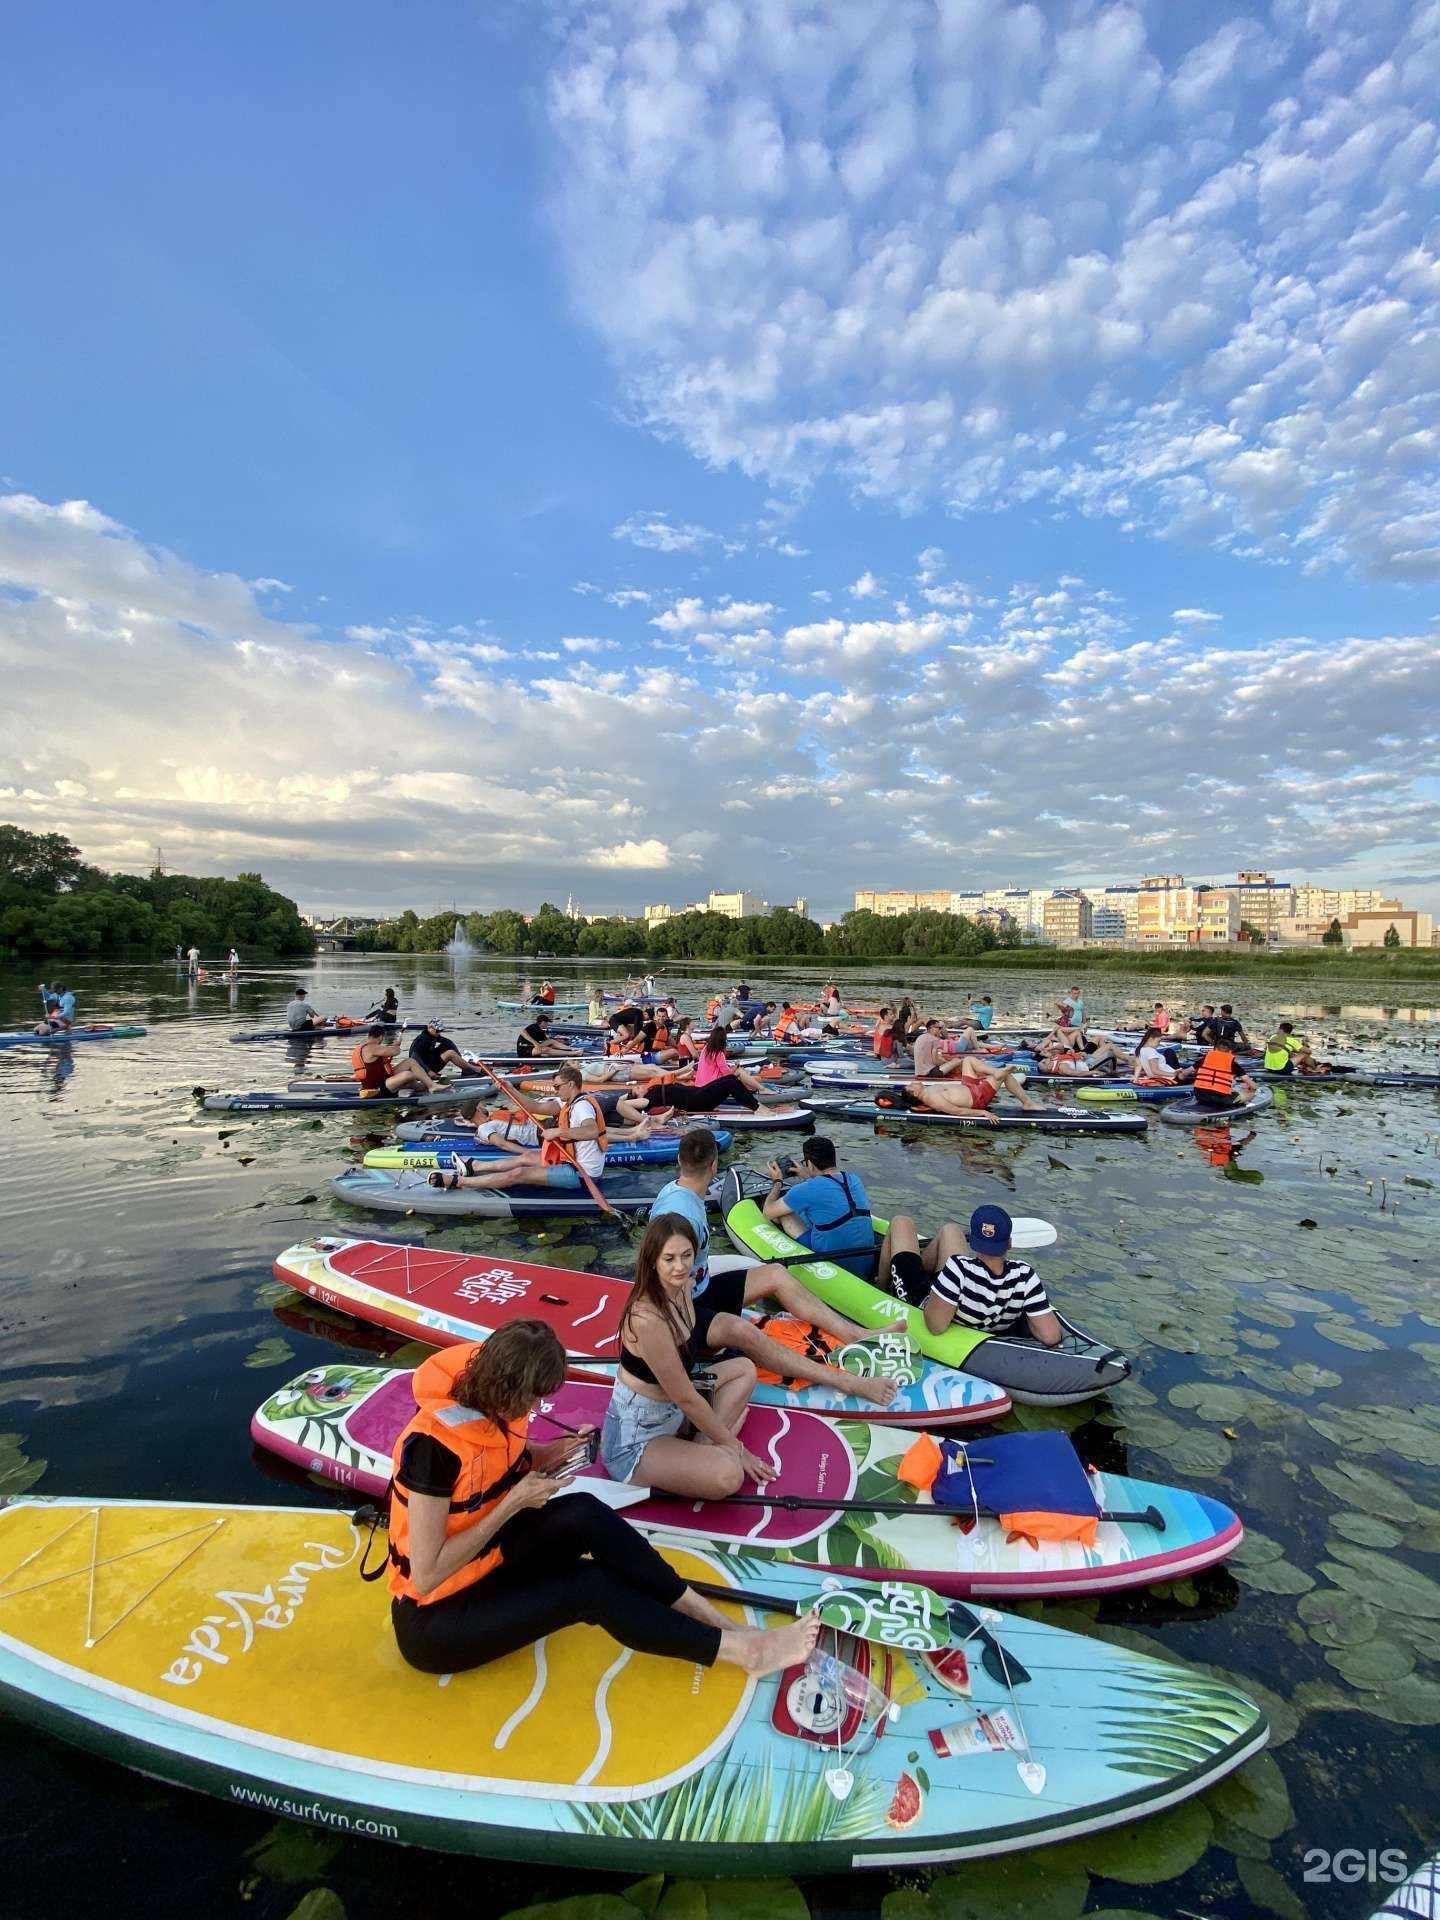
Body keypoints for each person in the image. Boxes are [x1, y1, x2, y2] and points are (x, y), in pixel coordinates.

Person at [387, 1316, 819, 1680]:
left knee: (585, 1513)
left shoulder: (491, 1401)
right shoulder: (431, 1450)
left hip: (487, 1563)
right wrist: (515, 1503)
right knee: (589, 1587)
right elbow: (426, 1575)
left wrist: (555, 1452)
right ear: (510, 1388)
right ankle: (746, 1654)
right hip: (436, 1620)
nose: (536, 1406)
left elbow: (505, 1459)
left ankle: (711, 1619)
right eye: (535, 1398)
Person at [611, 1213, 896, 1500]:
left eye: (686, 1255)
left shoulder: (682, 1287)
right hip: (638, 1438)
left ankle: (703, 1443)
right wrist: (737, 1448)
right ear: (652, 1260)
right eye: (669, 1258)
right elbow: (685, 1396)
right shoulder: (648, 1319)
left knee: (744, 1369)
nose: (680, 1266)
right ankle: (708, 1450)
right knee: (730, 1475)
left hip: (674, 1414)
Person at [891, 1204, 1062, 1346]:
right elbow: (1051, 1336)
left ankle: (880, 1284)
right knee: (950, 1230)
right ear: (1009, 1243)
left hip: (926, 1301)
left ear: (973, 1243)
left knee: (901, 1223)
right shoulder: (1025, 1275)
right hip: (967, 1296)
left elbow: (935, 1326)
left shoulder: (958, 1268)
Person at [429, 1063, 606, 1192]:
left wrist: (559, 1131)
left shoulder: (582, 1106)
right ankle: (474, 1167)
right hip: (570, 1160)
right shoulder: (566, 1102)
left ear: (571, 1085)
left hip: (581, 1174)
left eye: (557, 1087)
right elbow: (534, 1107)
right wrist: (510, 1089)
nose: (555, 1090)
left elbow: (591, 1131)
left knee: (519, 1173)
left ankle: (458, 1181)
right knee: (527, 1155)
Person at [762, 1136, 874, 1278]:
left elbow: (767, 1212)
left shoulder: (806, 1189)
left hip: (834, 1262)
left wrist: (777, 1181)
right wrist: (808, 1176)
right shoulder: (854, 1179)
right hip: (865, 1260)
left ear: (809, 1164)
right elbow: (828, 1189)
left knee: (785, 1213)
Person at [892, 1057, 1045, 1121]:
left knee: (968, 1060)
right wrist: (983, 1112)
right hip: (977, 1098)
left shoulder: (927, 1091)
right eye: (911, 1086)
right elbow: (957, 1111)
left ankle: (994, 1072)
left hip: (968, 1087)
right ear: (915, 1092)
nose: (913, 1083)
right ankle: (1027, 1102)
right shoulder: (932, 1099)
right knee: (1004, 1076)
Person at [355, 1025, 435, 1098]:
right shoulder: (373, 1048)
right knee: (408, 1074)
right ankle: (420, 1086)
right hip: (377, 1088)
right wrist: (397, 1045)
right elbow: (396, 1052)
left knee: (410, 1062)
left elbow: (385, 1051)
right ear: (381, 1037)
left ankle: (429, 1085)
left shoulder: (364, 1047)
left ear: (369, 1035)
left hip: (380, 1080)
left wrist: (394, 1046)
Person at [1190, 1040, 1257, 1111]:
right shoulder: (1232, 1063)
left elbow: (1184, 1073)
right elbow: (1248, 1081)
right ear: (1230, 1051)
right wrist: (1255, 1088)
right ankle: (1240, 1104)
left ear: (1216, 1049)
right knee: (1250, 1095)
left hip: (1200, 1095)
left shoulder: (1205, 1059)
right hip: (1220, 1099)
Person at [409, 1019, 476, 1079]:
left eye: (440, 1031)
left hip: (429, 1061)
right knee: (450, 1053)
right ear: (430, 1028)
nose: (439, 1033)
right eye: (437, 1031)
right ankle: (476, 1069)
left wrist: (460, 1059)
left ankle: (467, 1068)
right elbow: (414, 1057)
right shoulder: (422, 1040)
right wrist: (429, 1071)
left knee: (447, 1045)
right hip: (422, 1069)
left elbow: (448, 1042)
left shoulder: (432, 1035)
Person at [1261, 1020, 1329, 1076]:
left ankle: (1307, 1067)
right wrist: (1300, 1052)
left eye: (1278, 1029)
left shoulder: (1272, 1037)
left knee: (1292, 1054)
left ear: (1280, 1029)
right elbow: (1308, 1051)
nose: (1277, 1030)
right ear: (1290, 1032)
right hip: (1282, 1070)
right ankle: (1315, 1069)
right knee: (1304, 1054)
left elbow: (1283, 1048)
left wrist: (1293, 1052)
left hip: (1268, 1068)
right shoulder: (1292, 1041)